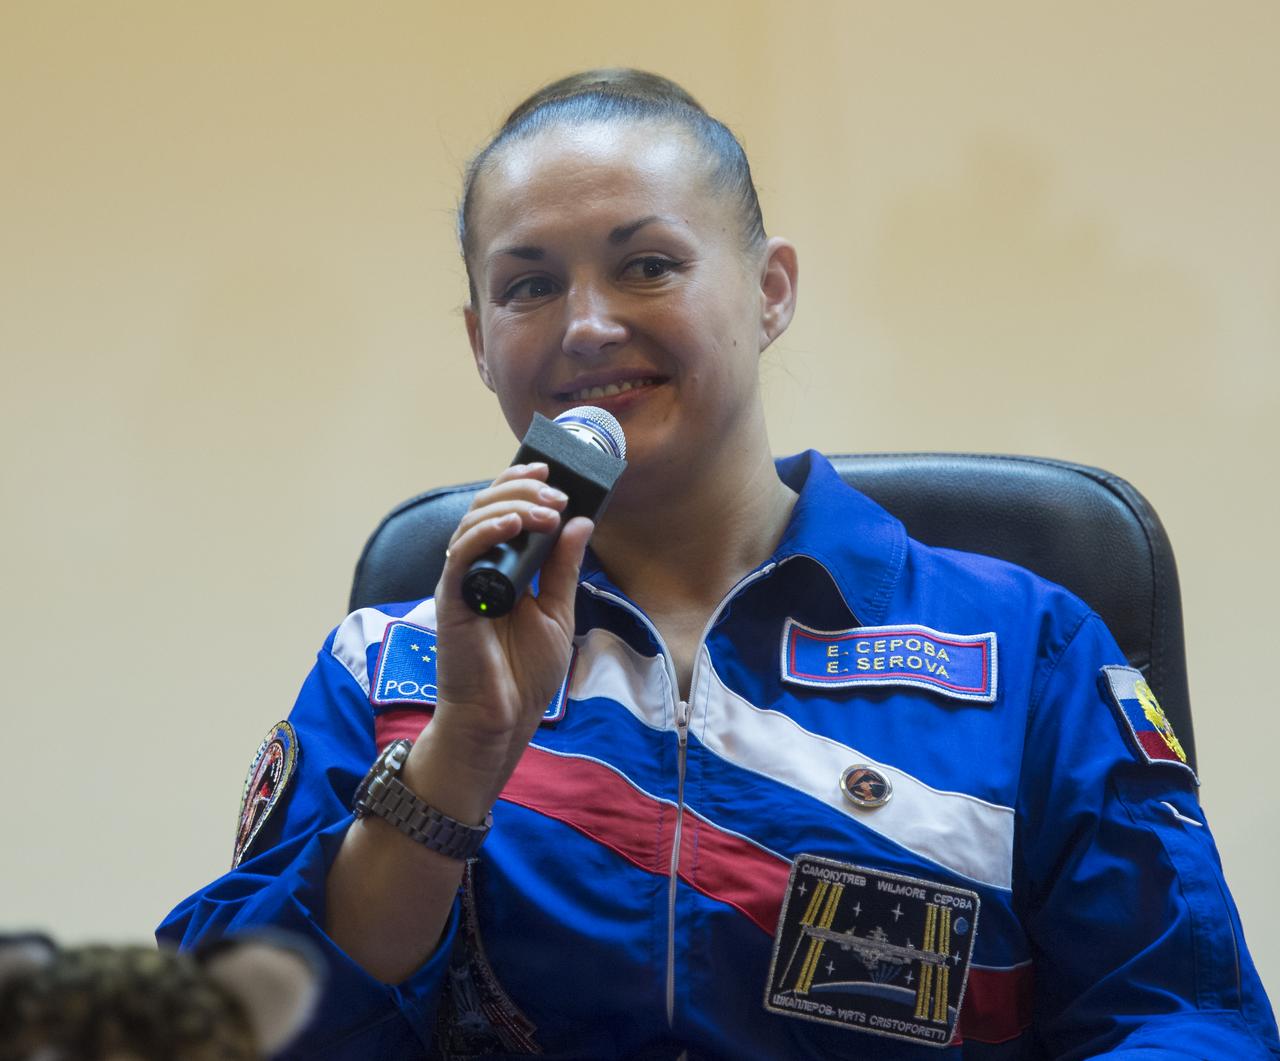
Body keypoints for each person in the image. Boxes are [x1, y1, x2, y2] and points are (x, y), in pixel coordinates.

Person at [159, 69, 1280, 1059]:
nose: (586, 325)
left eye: (647, 265)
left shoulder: (1024, 648)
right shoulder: (388, 668)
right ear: (479, 340)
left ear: (769, 290)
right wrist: (458, 755)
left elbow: (1179, 1017)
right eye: (528, 285)